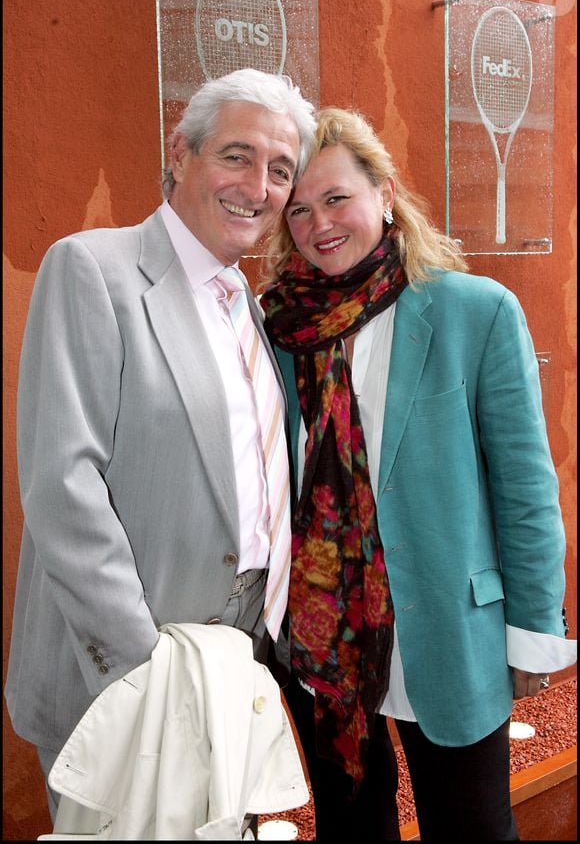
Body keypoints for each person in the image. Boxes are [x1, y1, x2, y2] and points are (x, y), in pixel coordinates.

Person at [5, 67, 316, 824]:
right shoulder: (92, 269)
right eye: (237, 155)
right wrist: (147, 667)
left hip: (233, 667)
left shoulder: (248, 301)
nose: (259, 186)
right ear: (181, 153)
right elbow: (62, 485)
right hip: (128, 680)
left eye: (280, 170)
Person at [259, 107, 577, 841]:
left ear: (386, 193)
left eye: (336, 198)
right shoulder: (278, 329)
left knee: (471, 825)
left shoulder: (476, 311)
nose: (319, 223)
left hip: (449, 631)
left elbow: (526, 491)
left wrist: (534, 629)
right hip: (324, 642)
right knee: (351, 826)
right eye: (299, 209)